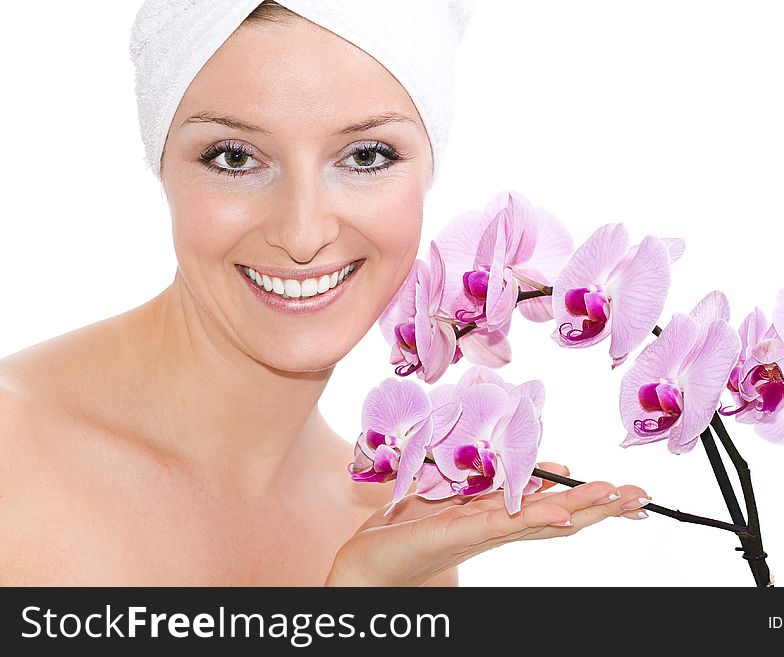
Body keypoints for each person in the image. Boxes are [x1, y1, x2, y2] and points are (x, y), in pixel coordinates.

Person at [0, 0, 650, 586]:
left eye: (366, 156)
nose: (303, 232)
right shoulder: (14, 453)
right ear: (160, 161)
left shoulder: (401, 534)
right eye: (233, 157)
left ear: (429, 167)